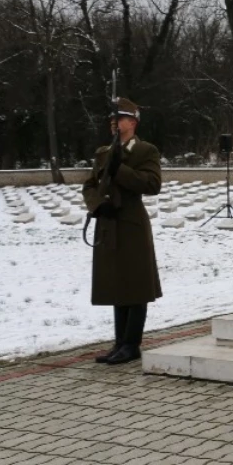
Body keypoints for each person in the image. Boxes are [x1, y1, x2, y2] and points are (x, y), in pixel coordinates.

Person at [81, 98, 163, 365]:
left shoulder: (146, 150)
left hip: (131, 225)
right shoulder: (103, 152)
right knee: (117, 284)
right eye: (112, 120)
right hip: (109, 224)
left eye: (121, 119)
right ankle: (119, 342)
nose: (115, 123)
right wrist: (97, 206)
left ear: (133, 122)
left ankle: (132, 344)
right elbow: (90, 185)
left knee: (136, 286)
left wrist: (120, 169)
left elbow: (151, 184)